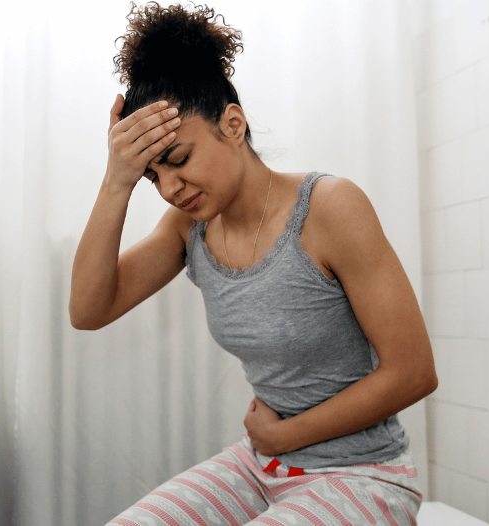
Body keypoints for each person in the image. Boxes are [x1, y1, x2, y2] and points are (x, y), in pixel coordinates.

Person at [69, 3, 437, 525]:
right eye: (152, 176)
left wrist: (284, 435)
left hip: (361, 472)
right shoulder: (189, 227)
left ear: (233, 124)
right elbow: (88, 310)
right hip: (261, 464)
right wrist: (116, 180)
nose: (169, 187)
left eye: (178, 159)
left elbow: (414, 373)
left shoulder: (330, 207)